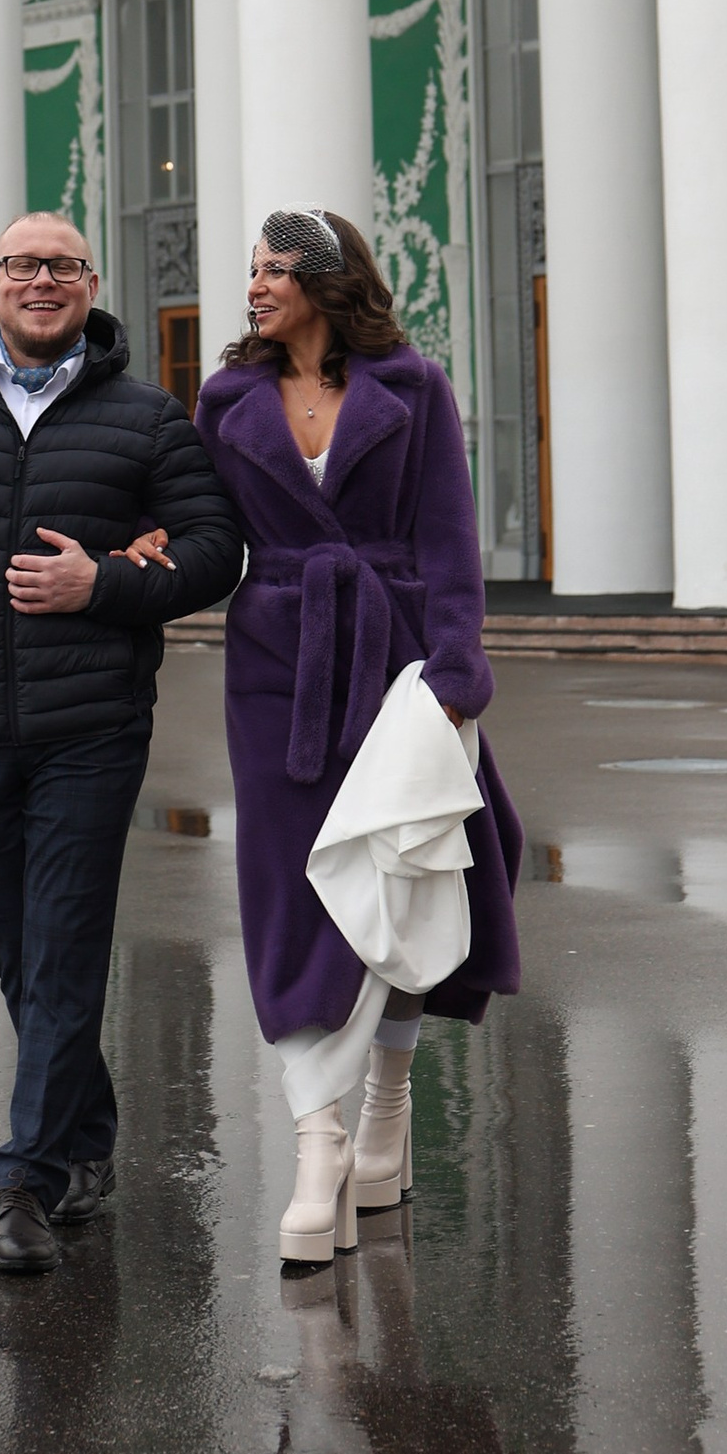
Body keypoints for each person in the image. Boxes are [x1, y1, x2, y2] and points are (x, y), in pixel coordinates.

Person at [0, 213, 242, 1275]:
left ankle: (21, 1175)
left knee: (62, 943)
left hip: (91, 732)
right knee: (19, 951)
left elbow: (217, 551)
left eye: (62, 266)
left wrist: (103, 583)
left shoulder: (146, 419)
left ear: (89, 285)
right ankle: (87, 1139)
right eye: (22, 265)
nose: (42, 280)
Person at [195, 208, 523, 1265]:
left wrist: (458, 671)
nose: (256, 285)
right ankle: (317, 1142)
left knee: (404, 871)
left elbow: (447, 534)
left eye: (277, 270)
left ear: (331, 285)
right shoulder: (227, 398)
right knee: (293, 888)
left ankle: (386, 1106)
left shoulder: (410, 389)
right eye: (252, 268)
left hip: (400, 661)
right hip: (276, 669)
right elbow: (206, 525)